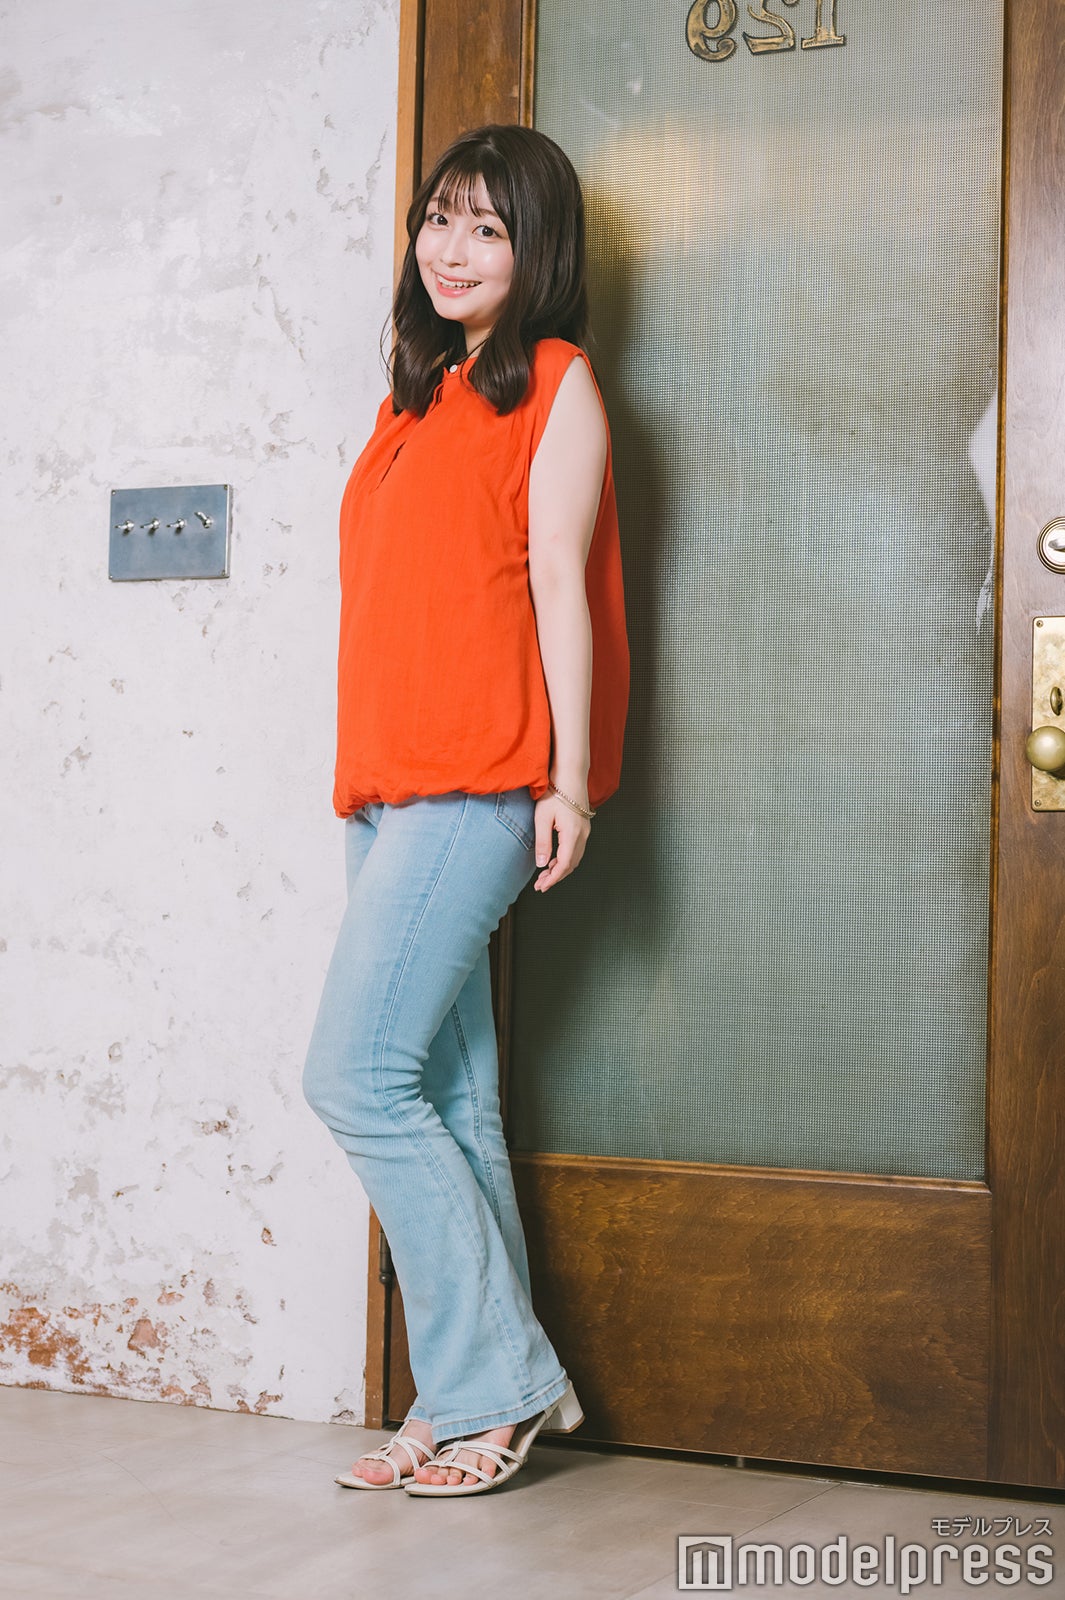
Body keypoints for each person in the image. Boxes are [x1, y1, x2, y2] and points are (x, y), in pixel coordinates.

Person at [302, 123, 630, 1499]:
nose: (452, 247)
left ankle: (502, 1381)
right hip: (387, 786)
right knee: (446, 1097)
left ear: (536, 251)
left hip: (481, 777)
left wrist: (570, 784)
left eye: (488, 228)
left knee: (353, 1079)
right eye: (441, 217)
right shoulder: (415, 396)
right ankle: (466, 1398)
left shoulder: (555, 382)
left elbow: (563, 588)